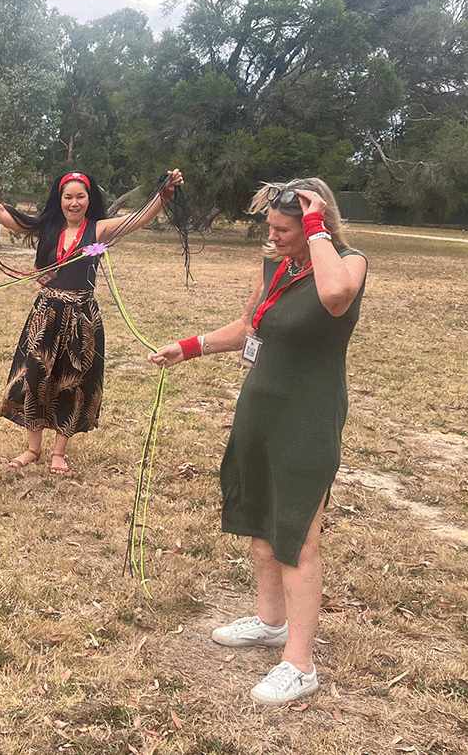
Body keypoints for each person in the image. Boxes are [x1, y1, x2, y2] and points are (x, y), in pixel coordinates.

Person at [148, 178, 367, 705]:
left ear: (316, 221)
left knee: (298, 535)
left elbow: (336, 298)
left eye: (284, 228)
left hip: (307, 415)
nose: (273, 238)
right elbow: (250, 327)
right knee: (261, 519)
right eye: (270, 227)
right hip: (260, 407)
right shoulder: (276, 266)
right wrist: (190, 347)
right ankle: (271, 622)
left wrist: (315, 230)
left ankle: (300, 663)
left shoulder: (346, 262)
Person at [0, 154, 184, 475]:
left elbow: (137, 220)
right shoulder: (47, 227)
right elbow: (1, 214)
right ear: (60, 199)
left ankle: (59, 452)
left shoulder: (99, 229)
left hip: (81, 316)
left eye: (81, 196)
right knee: (35, 376)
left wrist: (162, 195)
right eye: (68, 196)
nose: (74, 202)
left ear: (89, 199)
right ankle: (33, 448)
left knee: (73, 380)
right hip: (46, 313)